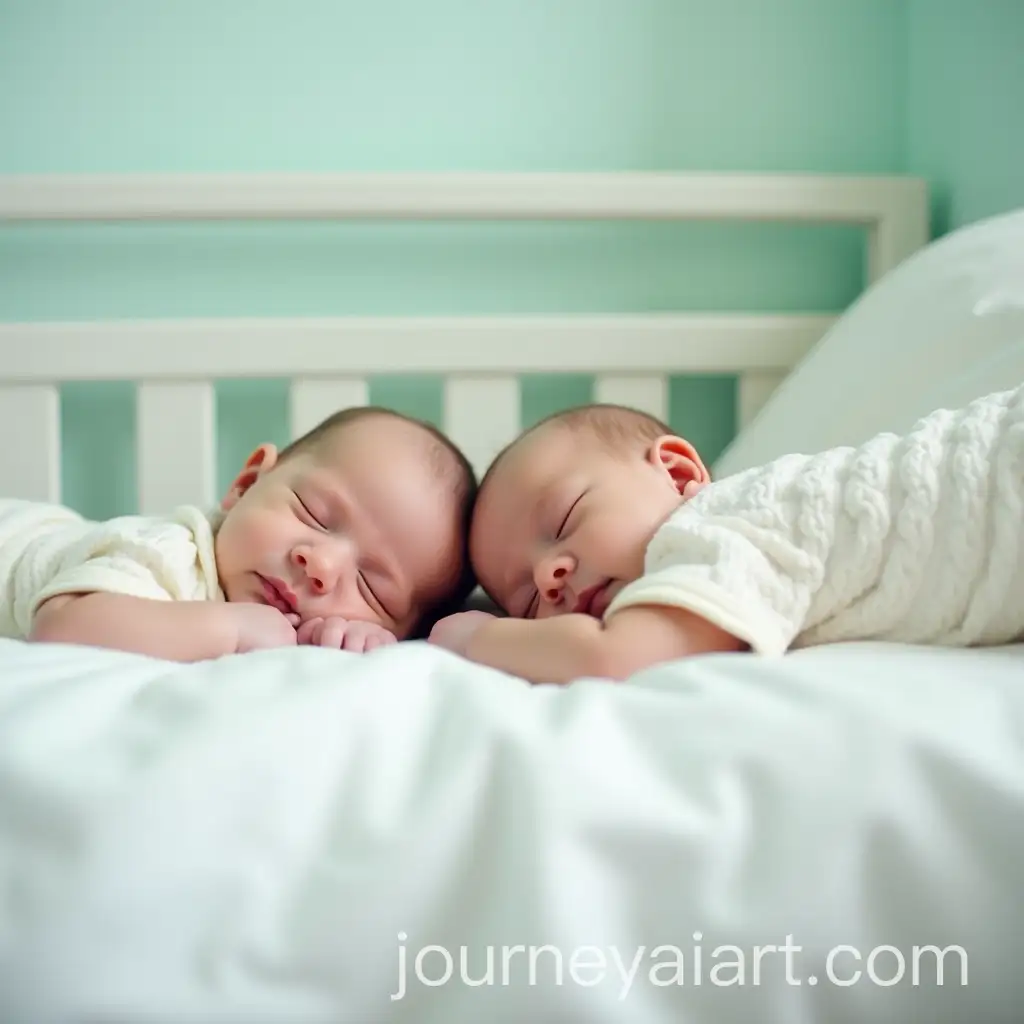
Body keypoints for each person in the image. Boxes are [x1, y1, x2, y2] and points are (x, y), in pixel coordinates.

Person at [428, 385, 1024, 684]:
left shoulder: (711, 530)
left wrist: (476, 637)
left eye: (564, 521)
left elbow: (614, 656)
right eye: (526, 602)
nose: (547, 575)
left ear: (678, 474)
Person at [1, 406, 476, 661]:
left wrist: (351, 641)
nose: (322, 564)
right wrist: (231, 629)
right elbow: (62, 626)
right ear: (247, 484)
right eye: (312, 514)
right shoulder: (167, 554)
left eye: (371, 587)